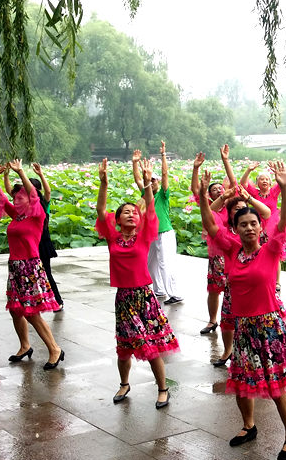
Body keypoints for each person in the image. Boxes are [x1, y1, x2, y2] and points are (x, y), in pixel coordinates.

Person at [199, 160, 286, 460]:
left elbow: (283, 223)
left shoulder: (270, 249)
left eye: (253, 223)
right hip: (244, 326)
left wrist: (284, 188)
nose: (249, 228)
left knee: (276, 385)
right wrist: (206, 198)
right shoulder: (232, 250)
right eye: (243, 224)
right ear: (235, 229)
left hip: (269, 326)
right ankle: (248, 426)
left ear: (260, 227)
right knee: (242, 382)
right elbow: (210, 225)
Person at [96, 157, 179, 409]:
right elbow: (101, 210)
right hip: (123, 298)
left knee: (150, 345)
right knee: (123, 347)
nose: (132, 214)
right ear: (117, 220)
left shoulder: (143, 236)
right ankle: (124, 383)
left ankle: (163, 388)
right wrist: (103, 184)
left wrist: (146, 184)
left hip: (144, 296)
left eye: (134, 212)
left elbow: (150, 209)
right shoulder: (112, 238)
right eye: (126, 212)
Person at [0, 160, 65, 368]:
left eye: (19, 197)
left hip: (29, 268)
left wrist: (21, 172)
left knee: (31, 313)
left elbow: (34, 194)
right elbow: (0, 197)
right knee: (15, 310)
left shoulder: (37, 215)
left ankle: (55, 349)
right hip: (15, 267)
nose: (15, 200)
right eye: (15, 197)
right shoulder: (17, 216)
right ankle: (25, 346)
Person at [201, 179, 273, 367]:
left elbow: (267, 213)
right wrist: (221, 197)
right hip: (233, 283)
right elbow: (209, 217)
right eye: (236, 209)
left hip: (257, 286)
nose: (241, 210)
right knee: (228, 319)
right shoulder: (227, 236)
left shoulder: (254, 229)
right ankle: (228, 351)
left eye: (243, 207)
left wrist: (249, 199)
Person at [220, 144, 286, 292]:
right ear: (257, 183)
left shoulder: (273, 192)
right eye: (261, 179)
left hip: (271, 227)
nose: (264, 181)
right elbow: (240, 184)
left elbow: (283, 187)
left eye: (267, 179)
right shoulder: (254, 194)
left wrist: (283, 177)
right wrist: (248, 170)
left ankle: (275, 281)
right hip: (254, 226)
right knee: (253, 255)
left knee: (273, 255)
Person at [133, 143, 182, 305]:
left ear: (158, 182)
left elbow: (165, 174)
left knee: (165, 263)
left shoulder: (163, 194)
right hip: (151, 234)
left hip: (164, 233)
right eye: (150, 180)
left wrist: (163, 155)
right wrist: (135, 163)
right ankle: (159, 290)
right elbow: (138, 179)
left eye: (154, 180)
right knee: (150, 263)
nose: (152, 182)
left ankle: (174, 293)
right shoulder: (145, 193)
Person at [191, 152, 227, 334]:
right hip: (216, 255)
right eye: (215, 189)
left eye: (221, 188)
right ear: (210, 194)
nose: (219, 190)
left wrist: (226, 161)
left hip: (232, 252)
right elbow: (195, 190)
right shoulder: (207, 206)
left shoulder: (231, 205)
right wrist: (195, 168)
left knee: (234, 289)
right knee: (214, 289)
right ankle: (213, 321)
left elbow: (234, 184)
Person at [29, 163, 63, 310]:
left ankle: (58, 301)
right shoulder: (24, 205)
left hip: (42, 242)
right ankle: (33, 301)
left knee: (46, 273)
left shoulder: (44, 204)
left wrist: (41, 174)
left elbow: (48, 192)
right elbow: (11, 192)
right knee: (30, 273)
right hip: (30, 243)